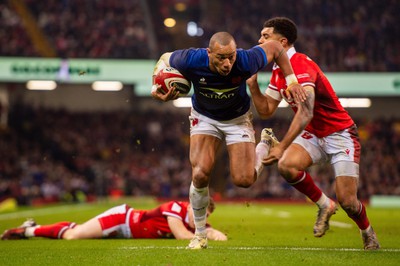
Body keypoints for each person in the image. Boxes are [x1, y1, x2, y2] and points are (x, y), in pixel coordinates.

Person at [151, 31, 306, 249]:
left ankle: (264, 144)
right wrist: (154, 88)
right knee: (200, 172)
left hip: (237, 120)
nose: (227, 63)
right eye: (221, 58)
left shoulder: (246, 60)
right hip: (204, 117)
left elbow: (277, 48)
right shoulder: (192, 59)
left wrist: (291, 81)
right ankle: (200, 235)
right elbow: (165, 57)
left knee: (244, 180)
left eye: (231, 57)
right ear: (208, 53)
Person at [247, 17, 380, 250]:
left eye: (265, 36)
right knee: (286, 165)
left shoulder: (300, 64)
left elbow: (306, 112)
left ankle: (367, 231)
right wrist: (253, 86)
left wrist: (281, 146)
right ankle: (324, 204)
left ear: (282, 41)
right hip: (313, 134)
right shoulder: (279, 71)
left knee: (348, 202)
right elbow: (266, 110)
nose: (260, 40)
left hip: (340, 134)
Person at [1, 199, 227, 241]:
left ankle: (32, 228)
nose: (200, 217)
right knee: (74, 236)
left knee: (77, 233)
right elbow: (182, 236)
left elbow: (219, 235)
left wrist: (212, 233)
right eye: (199, 210)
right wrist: (205, 234)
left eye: (204, 215)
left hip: (127, 230)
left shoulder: (194, 223)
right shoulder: (176, 208)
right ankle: (31, 230)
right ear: (191, 204)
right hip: (122, 220)